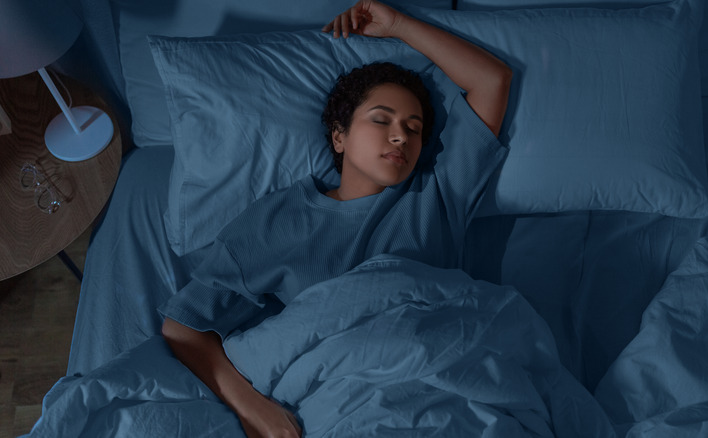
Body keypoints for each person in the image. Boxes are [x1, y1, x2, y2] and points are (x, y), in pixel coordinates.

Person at [160, 1, 513, 437]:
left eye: (415, 127)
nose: (401, 134)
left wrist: (399, 25)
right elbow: (184, 325)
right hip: (344, 406)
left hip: (447, 393)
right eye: (382, 119)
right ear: (339, 136)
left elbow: (492, 80)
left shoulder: (436, 195)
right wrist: (253, 408)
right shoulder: (280, 219)